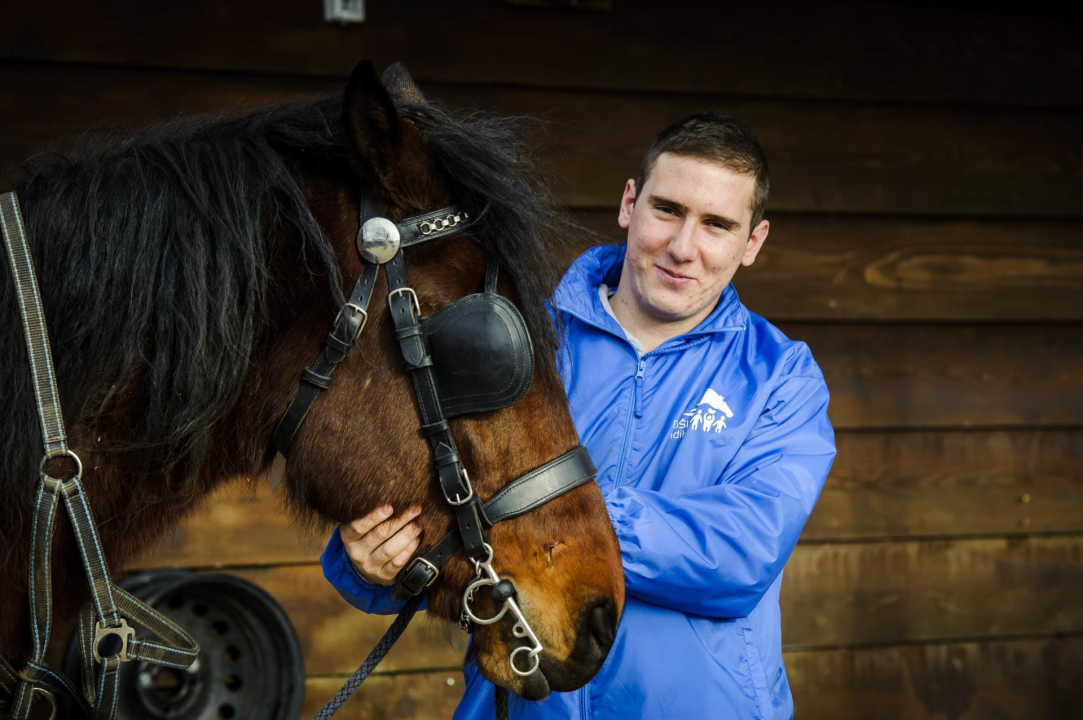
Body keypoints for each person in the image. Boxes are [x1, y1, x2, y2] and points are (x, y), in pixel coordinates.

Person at [321, 111, 837, 719]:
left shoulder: (781, 376)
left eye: (717, 225)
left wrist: (541, 515)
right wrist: (369, 564)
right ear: (629, 204)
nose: (683, 247)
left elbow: (741, 554)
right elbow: (433, 496)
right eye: (667, 210)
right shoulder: (519, 339)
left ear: (752, 242)